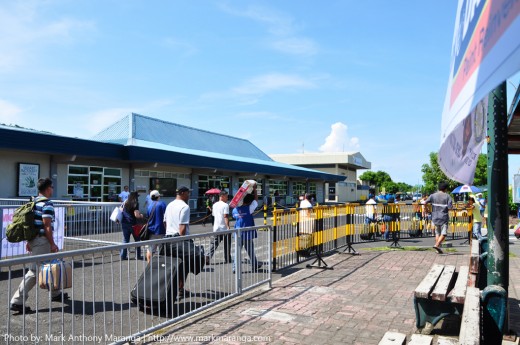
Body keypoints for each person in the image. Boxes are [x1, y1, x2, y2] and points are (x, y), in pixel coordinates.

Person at [10, 178, 69, 313]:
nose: (53, 189)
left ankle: (55, 293)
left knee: (50, 265)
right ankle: (17, 301)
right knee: (35, 271)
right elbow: (46, 225)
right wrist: (53, 243)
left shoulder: (34, 201)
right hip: (43, 240)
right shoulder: (47, 203)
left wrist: (29, 241)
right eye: (52, 187)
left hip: (35, 240)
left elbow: (30, 224)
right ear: (48, 188)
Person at [164, 186, 192, 297]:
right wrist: (182, 243)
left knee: (171, 266)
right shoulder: (184, 207)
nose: (189, 195)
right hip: (180, 240)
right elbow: (182, 228)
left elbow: (165, 222)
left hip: (168, 238)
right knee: (183, 266)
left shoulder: (169, 205)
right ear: (183, 193)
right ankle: (179, 289)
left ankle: (171, 288)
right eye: (188, 193)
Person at [232, 186, 262, 274]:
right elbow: (256, 201)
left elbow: (235, 217)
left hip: (237, 233)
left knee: (237, 252)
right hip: (247, 233)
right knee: (250, 250)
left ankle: (235, 268)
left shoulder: (235, 210)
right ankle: (254, 265)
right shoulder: (249, 208)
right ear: (248, 201)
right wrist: (255, 190)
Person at [423, 182, 453, 254]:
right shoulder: (447, 196)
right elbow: (450, 208)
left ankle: (437, 249)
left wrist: (427, 210)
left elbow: (425, 203)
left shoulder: (433, 195)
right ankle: (436, 245)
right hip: (443, 217)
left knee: (437, 233)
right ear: (446, 189)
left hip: (435, 217)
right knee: (444, 233)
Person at [206, 191, 232, 264]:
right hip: (224, 228)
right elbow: (225, 216)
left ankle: (207, 257)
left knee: (213, 244)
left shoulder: (214, 205)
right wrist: (228, 227)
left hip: (216, 227)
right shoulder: (225, 205)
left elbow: (214, 215)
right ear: (222, 196)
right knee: (227, 245)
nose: (227, 198)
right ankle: (227, 259)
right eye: (226, 196)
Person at [120, 191, 144, 260]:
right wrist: (141, 216)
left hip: (124, 222)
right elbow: (136, 215)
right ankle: (138, 256)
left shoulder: (125, 202)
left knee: (125, 240)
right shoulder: (135, 203)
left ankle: (123, 256)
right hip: (133, 223)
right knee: (137, 240)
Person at [145, 190, 167, 263]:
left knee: (150, 250)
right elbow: (166, 216)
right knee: (163, 250)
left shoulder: (149, 206)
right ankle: (162, 266)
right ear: (158, 196)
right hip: (161, 230)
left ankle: (149, 265)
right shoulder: (162, 204)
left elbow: (148, 217)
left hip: (151, 230)